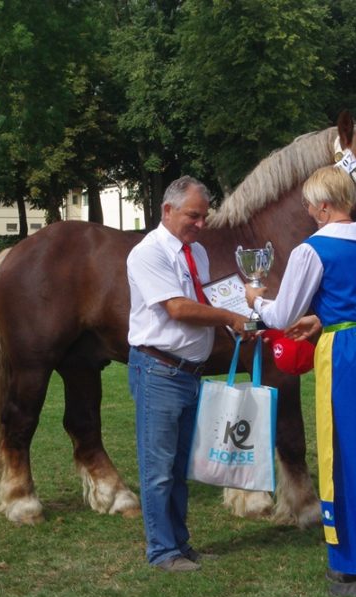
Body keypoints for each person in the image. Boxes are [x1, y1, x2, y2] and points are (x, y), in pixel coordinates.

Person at [245, 165, 356, 597]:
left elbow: (282, 315)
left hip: (350, 356)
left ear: (323, 206)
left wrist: (255, 298)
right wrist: (325, 316)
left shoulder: (313, 249)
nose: (306, 211)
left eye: (308, 204)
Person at [127, 176, 253, 573]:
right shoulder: (148, 253)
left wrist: (246, 309)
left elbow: (205, 298)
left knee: (180, 468)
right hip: (159, 369)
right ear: (167, 210)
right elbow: (179, 309)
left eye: (204, 216)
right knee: (158, 469)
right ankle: (162, 551)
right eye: (192, 216)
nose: (200, 224)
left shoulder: (194, 252)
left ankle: (179, 543)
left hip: (188, 373)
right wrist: (233, 317)